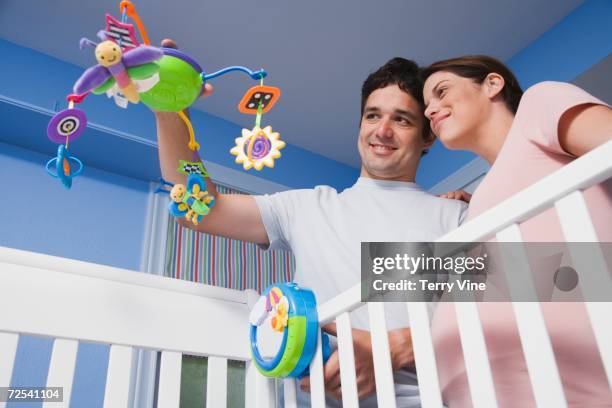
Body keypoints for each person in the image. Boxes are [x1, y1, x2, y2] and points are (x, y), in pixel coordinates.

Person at [156, 43, 467, 406]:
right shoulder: (304, 207)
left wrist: (394, 347)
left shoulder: (458, 217)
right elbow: (202, 209)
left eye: (401, 119)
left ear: (427, 135)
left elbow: (512, 321)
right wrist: (169, 108)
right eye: (372, 116)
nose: (382, 131)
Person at [422, 55, 612, 407]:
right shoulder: (481, 204)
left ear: (493, 85)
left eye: (441, 91)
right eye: (426, 105)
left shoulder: (539, 104)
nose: (431, 110)